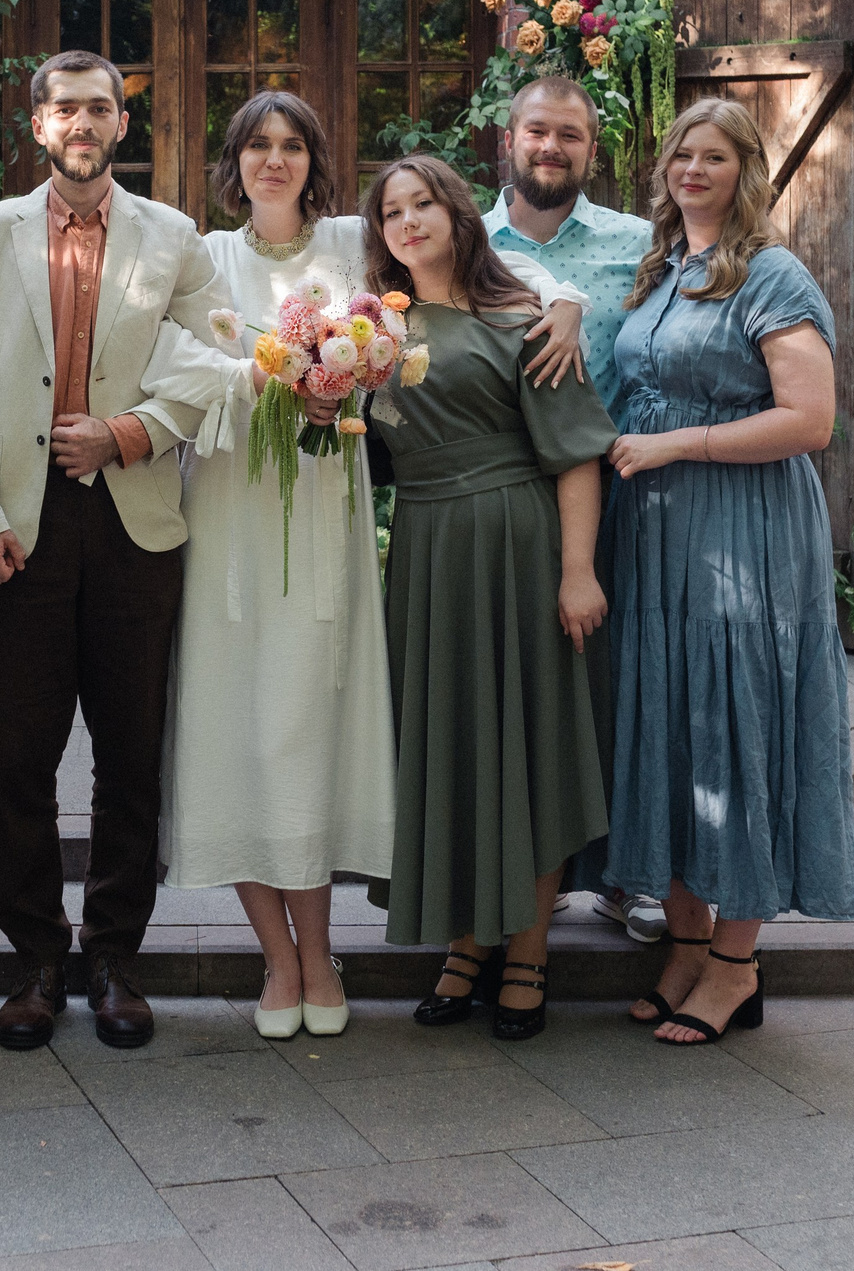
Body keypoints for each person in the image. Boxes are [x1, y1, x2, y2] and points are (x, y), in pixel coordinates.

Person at [164, 91, 590, 1040]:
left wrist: (566, 299)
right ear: (232, 163)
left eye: (292, 144)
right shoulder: (203, 255)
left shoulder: (354, 241)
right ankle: (282, 963)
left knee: (316, 728)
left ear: (315, 162)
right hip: (233, 510)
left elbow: (471, 258)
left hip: (329, 518)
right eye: (256, 145)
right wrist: (264, 376)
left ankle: (327, 953)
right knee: (233, 728)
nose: (274, 161)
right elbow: (173, 367)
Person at [0, 49, 238, 1053]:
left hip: (133, 518)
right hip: (17, 528)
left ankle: (114, 956)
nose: (82, 121)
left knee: (129, 754)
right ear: (36, 124)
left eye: (99, 107)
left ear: (121, 123)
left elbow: (214, 364)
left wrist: (131, 431)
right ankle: (32, 960)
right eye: (64, 106)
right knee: (20, 755)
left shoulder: (174, 237)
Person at [602, 97, 854, 1046]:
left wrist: (681, 448)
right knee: (669, 723)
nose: (691, 170)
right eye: (680, 154)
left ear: (745, 171)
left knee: (735, 718)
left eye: (713, 157)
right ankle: (683, 943)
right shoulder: (662, 268)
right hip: (654, 535)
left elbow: (810, 420)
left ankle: (737, 965)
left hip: (742, 533)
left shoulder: (771, 273)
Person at [363, 154, 619, 1042]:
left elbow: (577, 452)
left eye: (422, 202)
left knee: (529, 739)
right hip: (428, 555)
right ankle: (467, 941)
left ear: (458, 213)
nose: (407, 221)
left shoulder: (525, 318)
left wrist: (577, 569)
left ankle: (530, 950)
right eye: (392, 211)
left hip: (516, 540)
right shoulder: (371, 332)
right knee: (457, 740)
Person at [480, 76, 668, 947]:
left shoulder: (640, 246)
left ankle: (632, 873)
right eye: (537, 132)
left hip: (627, 492)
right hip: (507, 501)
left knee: (628, 689)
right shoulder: (464, 242)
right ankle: (542, 865)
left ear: (593, 150)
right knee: (533, 697)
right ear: (507, 140)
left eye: (571, 136)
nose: (551, 148)